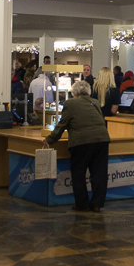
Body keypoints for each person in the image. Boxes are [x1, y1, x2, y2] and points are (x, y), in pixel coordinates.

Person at [43, 80, 111, 212]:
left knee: (78, 173)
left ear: (74, 92)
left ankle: (82, 204)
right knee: (99, 174)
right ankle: (97, 204)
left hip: (81, 142)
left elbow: (62, 125)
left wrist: (50, 139)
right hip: (102, 139)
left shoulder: (70, 103)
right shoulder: (95, 102)